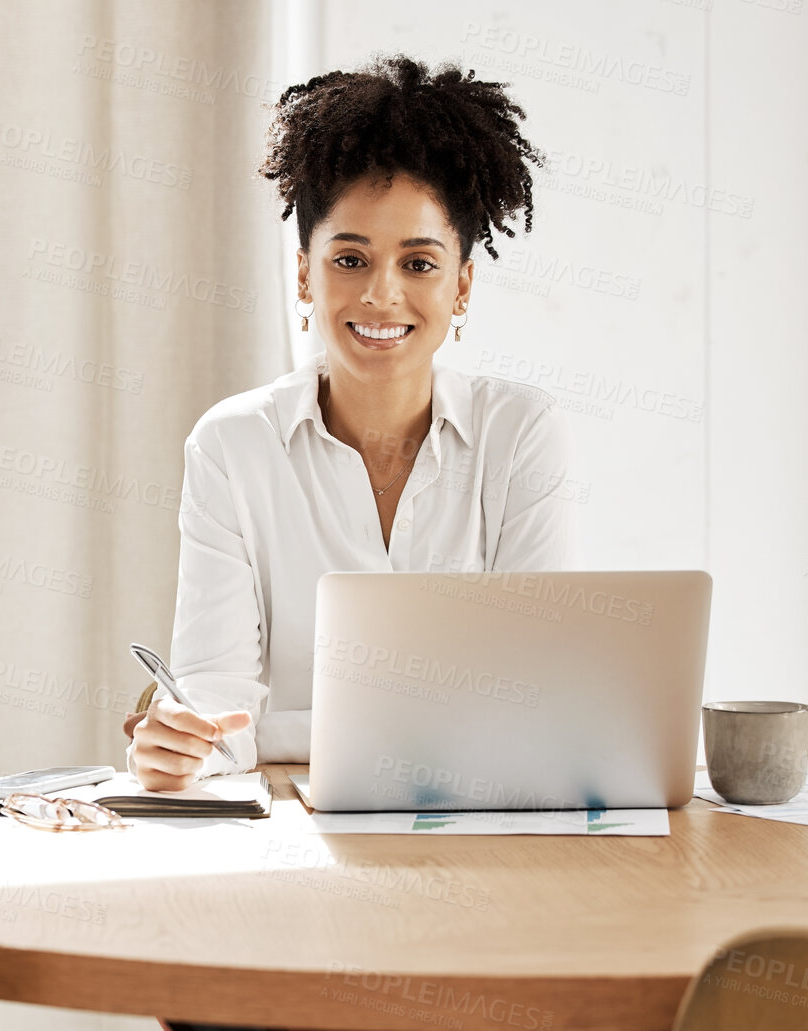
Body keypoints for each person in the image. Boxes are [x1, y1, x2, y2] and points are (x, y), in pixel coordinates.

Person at [126, 52, 572, 802]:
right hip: (302, 840)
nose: (382, 294)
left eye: (420, 263)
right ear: (305, 274)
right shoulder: (232, 447)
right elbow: (216, 705)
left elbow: (541, 705)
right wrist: (184, 744)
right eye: (351, 258)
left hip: (483, 829)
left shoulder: (520, 433)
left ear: (463, 283)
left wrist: (268, 733)